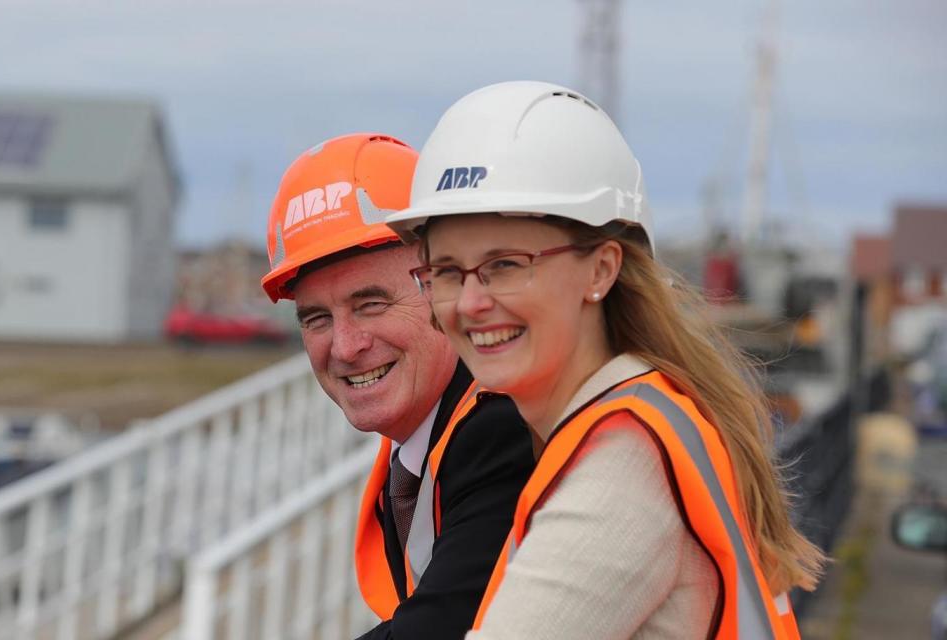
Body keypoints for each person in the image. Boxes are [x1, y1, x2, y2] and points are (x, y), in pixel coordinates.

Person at [385, 82, 826, 639]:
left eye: (505, 264)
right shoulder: (636, 416)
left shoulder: (623, 468)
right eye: (447, 271)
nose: (471, 302)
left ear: (601, 270)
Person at [261, 133, 534, 640]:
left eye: (371, 304)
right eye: (317, 319)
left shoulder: (506, 429)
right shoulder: (427, 440)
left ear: (444, 288)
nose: (345, 346)